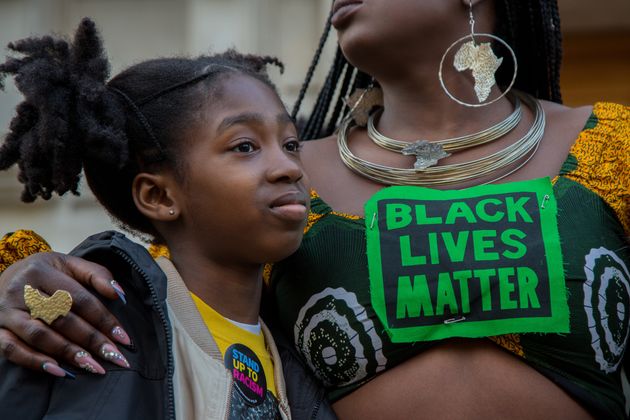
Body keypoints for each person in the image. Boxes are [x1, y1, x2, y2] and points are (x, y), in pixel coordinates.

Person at [1, 0, 629, 418]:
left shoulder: (615, 146)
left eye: (279, 142)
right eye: (248, 145)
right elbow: (171, 294)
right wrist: (26, 281)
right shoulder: (285, 186)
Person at [0, 17, 336, 420]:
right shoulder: (80, 328)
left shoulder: (309, 355)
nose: (289, 168)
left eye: (292, 144)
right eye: (245, 145)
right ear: (158, 195)